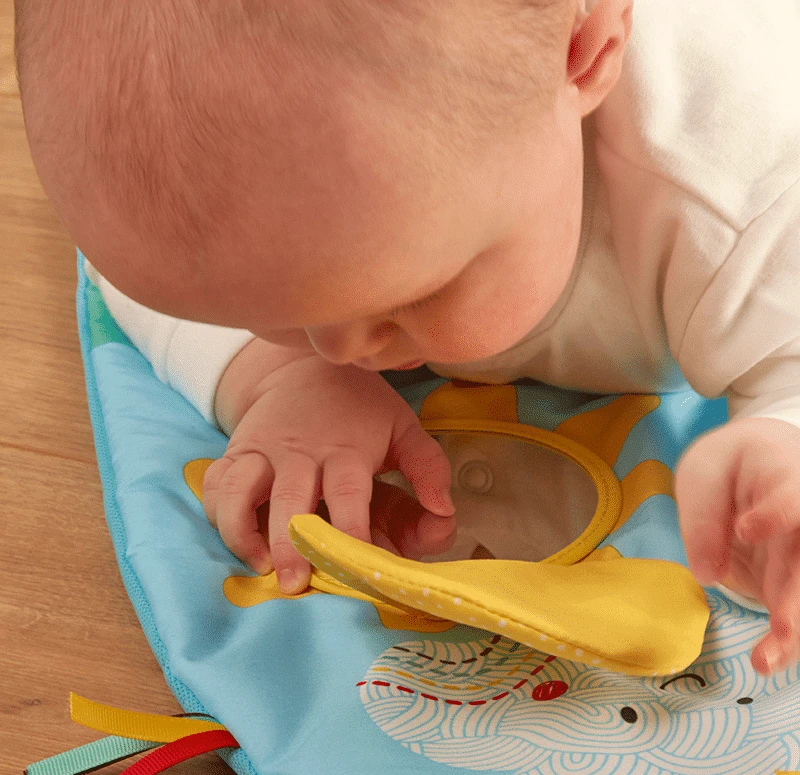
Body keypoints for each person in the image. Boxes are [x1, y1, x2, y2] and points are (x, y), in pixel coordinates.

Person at [14, 0, 800, 675]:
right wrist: (270, 375)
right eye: (263, 308)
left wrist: (781, 444)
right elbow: (138, 259)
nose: (338, 349)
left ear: (583, 54)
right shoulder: (209, 197)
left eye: (416, 294)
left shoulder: (737, 189)